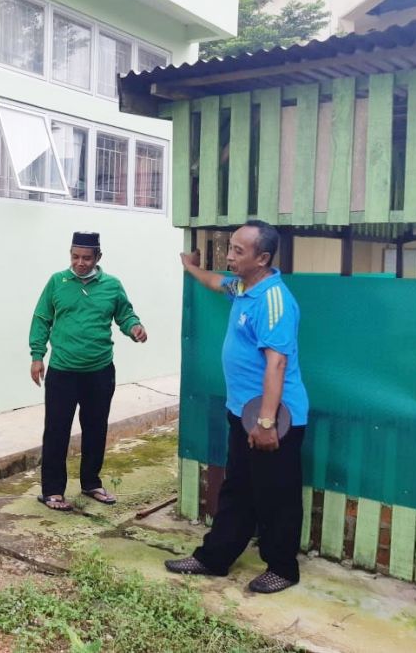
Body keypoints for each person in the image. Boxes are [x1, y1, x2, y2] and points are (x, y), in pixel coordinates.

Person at [165, 220, 309, 594]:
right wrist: (191, 267)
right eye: (230, 248)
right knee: (238, 489)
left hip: (274, 418)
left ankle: (283, 568)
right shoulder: (243, 286)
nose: (229, 256)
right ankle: (215, 558)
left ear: (262, 258)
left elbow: (276, 363)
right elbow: (216, 283)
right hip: (243, 413)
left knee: (276, 496)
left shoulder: (274, 300)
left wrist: (265, 423)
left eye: (238, 251)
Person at [29, 231, 147, 512]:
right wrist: (37, 355)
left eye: (86, 257)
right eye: (75, 256)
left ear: (98, 258)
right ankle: (53, 491)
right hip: (62, 372)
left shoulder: (112, 285)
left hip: (100, 371)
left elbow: (125, 314)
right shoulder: (57, 282)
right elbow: (41, 318)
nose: (80, 262)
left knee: (96, 429)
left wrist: (134, 328)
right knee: (56, 431)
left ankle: (91, 483)